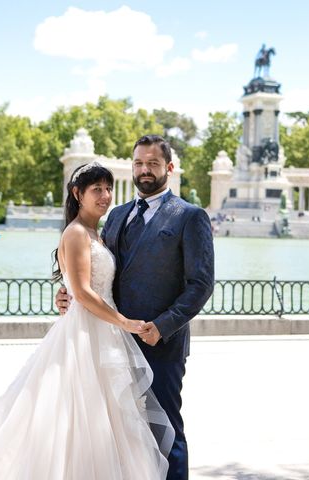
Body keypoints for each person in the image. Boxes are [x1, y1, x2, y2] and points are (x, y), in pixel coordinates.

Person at [0, 163, 174, 480]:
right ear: (77, 193)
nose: (106, 196)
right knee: (73, 416)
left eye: (108, 189)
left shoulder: (98, 233)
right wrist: (124, 322)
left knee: (107, 419)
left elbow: (83, 286)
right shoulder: (77, 232)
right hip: (86, 333)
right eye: (97, 189)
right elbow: (81, 291)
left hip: (102, 331)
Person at [56, 134, 215, 480]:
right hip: (111, 342)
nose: (145, 170)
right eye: (139, 163)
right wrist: (69, 293)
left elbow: (201, 284)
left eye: (153, 163)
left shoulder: (190, 216)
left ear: (169, 168)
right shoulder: (116, 216)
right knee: (119, 431)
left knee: (165, 430)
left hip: (161, 343)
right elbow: (97, 272)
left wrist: (162, 326)